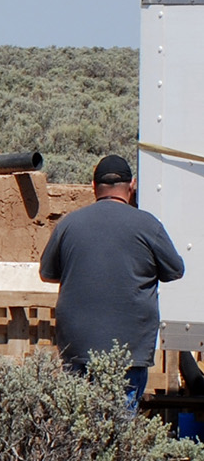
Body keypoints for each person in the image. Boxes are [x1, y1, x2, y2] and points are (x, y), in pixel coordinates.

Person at [38, 155, 185, 410]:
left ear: (94, 187)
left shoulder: (69, 224)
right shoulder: (147, 225)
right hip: (129, 351)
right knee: (118, 431)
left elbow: (47, 272)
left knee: (79, 429)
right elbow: (175, 270)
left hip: (78, 347)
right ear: (132, 186)